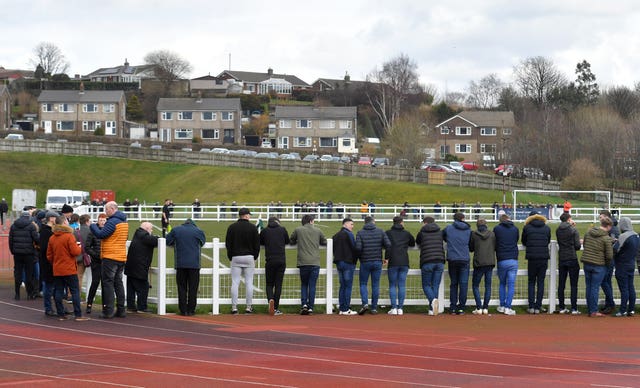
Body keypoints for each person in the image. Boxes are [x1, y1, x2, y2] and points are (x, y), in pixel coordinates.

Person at [90, 201, 129, 319]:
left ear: (112, 209)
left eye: (106, 209)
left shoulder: (112, 222)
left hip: (110, 256)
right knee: (118, 283)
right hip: (121, 256)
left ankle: (108, 311)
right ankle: (121, 310)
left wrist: (92, 226)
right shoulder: (124, 222)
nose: (105, 212)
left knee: (107, 283)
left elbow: (101, 234)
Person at [47, 216, 88, 321]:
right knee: (75, 291)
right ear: (64, 223)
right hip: (69, 268)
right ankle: (78, 315)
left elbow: (49, 255)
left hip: (57, 269)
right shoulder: (69, 236)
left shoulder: (52, 238)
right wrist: (79, 247)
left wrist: (55, 262)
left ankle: (61, 314)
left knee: (58, 291)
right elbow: (75, 252)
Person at [167, 218, 206, 316]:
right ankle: (191, 310)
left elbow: (168, 241)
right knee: (193, 288)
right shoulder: (198, 231)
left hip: (180, 264)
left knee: (182, 287)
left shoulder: (176, 230)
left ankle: (183, 310)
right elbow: (202, 242)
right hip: (194, 265)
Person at [290, 214, 327, 315]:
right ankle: (311, 307)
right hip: (315, 262)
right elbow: (324, 242)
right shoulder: (318, 231)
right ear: (311, 221)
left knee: (304, 284)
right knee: (312, 285)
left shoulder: (298, 230)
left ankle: (304, 305)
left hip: (303, 262)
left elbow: (291, 240)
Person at [225, 207, 260, 314]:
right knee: (249, 283)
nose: (249, 216)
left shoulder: (232, 227)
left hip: (236, 257)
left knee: (235, 282)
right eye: (249, 215)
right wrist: (254, 256)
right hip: (249, 257)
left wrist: (230, 256)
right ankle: (248, 307)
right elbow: (257, 245)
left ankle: (234, 307)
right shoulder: (253, 227)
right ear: (245, 216)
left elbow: (228, 244)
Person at [355, 216, 391, 315]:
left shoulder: (360, 232)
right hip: (377, 261)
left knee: (363, 283)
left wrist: (360, 258)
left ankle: (365, 304)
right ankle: (374, 307)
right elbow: (388, 245)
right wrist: (385, 257)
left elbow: (358, 248)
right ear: (373, 222)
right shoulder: (380, 231)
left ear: (364, 222)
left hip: (365, 261)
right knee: (375, 285)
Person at [581, 217, 614, 317]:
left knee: (589, 286)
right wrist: (607, 264)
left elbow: (585, 244)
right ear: (608, 226)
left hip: (587, 262)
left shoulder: (588, 233)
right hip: (599, 265)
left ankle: (590, 309)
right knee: (595, 287)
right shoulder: (606, 238)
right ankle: (594, 310)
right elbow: (609, 256)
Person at [125, 222, 159, 313]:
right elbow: (156, 241)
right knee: (144, 286)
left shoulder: (138, 234)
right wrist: (158, 237)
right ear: (147, 228)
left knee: (131, 287)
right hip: (139, 266)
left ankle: (131, 306)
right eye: (151, 229)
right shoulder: (144, 236)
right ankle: (142, 307)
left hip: (131, 265)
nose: (151, 231)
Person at [522, 210, 551, 314]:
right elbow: (548, 240)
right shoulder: (546, 228)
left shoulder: (527, 228)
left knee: (531, 282)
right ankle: (538, 306)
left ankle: (531, 306)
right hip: (543, 257)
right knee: (541, 282)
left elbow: (524, 241)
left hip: (532, 258)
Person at [259, 216, 290, 316]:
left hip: (270, 260)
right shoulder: (282, 229)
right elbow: (287, 241)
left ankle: (270, 301)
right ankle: (275, 307)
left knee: (269, 284)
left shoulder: (265, 231)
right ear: (277, 222)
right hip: (281, 260)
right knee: (278, 285)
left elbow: (260, 242)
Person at [385, 216, 415, 315]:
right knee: (402, 285)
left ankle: (393, 308)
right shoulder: (406, 233)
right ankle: (400, 308)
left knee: (392, 285)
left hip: (393, 261)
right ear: (401, 222)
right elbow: (412, 242)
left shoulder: (388, 233)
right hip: (404, 261)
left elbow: (386, 245)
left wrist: (386, 258)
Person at [443, 212, 472, 315]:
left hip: (452, 258)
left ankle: (453, 307)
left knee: (454, 283)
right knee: (463, 284)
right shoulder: (468, 229)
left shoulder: (448, 228)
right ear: (463, 218)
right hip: (464, 259)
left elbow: (444, 236)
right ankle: (462, 308)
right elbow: (471, 243)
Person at [416, 216, 445, 315]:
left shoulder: (422, 233)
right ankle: (432, 309)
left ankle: (432, 301)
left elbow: (418, 242)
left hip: (427, 260)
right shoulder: (440, 232)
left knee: (426, 285)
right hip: (440, 260)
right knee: (435, 285)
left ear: (425, 223)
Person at [9, 209, 39, 300]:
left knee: (18, 273)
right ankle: (29, 293)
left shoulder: (13, 226)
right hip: (29, 253)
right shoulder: (31, 226)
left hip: (17, 253)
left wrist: (13, 251)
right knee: (29, 274)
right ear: (28, 217)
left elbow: (10, 240)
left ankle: (17, 294)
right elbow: (36, 239)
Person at [493, 211, 519, 315]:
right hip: (513, 259)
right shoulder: (515, 229)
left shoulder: (497, 229)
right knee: (511, 285)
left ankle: (502, 305)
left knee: (502, 283)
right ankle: (508, 307)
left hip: (502, 259)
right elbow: (516, 240)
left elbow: (495, 241)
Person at [555, 212, 582, 314]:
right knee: (573, 285)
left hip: (562, 258)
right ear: (569, 219)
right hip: (571, 257)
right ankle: (574, 308)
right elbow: (577, 246)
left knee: (561, 284)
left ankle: (562, 307)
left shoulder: (558, 230)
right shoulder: (573, 230)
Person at [613, 217, 638, 317]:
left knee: (624, 289)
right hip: (631, 263)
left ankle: (623, 310)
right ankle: (631, 309)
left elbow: (615, 249)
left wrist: (614, 242)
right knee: (631, 287)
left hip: (622, 264)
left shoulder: (623, 236)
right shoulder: (636, 235)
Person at [469, 218, 495, 315]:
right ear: (486, 225)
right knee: (488, 286)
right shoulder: (492, 234)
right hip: (490, 262)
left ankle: (479, 307)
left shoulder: (474, 234)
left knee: (475, 285)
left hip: (479, 262)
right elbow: (494, 246)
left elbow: (471, 248)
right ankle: (485, 307)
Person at [332, 217, 358, 315]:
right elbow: (354, 248)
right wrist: (354, 261)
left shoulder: (335, 236)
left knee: (342, 285)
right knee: (347, 286)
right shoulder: (349, 234)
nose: (352, 226)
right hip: (348, 263)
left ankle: (342, 307)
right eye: (351, 224)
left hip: (339, 262)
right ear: (345, 224)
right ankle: (345, 308)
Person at [39, 211, 60, 317]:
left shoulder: (48, 231)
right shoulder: (46, 232)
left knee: (54, 286)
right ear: (51, 218)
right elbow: (44, 248)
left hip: (51, 262)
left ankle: (58, 307)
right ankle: (48, 308)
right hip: (48, 263)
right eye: (56, 218)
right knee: (49, 286)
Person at [84, 213, 106, 314]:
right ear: (98, 221)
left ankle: (105, 306)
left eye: (104, 220)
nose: (102, 222)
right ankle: (89, 304)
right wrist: (95, 255)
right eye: (101, 220)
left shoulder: (108, 231)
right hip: (96, 262)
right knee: (95, 282)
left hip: (106, 261)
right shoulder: (92, 232)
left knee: (105, 284)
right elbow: (87, 247)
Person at [599, 209, 619, 314]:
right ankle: (608, 304)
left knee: (604, 281)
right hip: (607, 259)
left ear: (607, 217)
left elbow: (614, 245)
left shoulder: (613, 229)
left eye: (601, 217)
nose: (600, 219)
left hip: (609, 260)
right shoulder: (611, 228)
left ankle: (611, 304)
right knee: (607, 282)